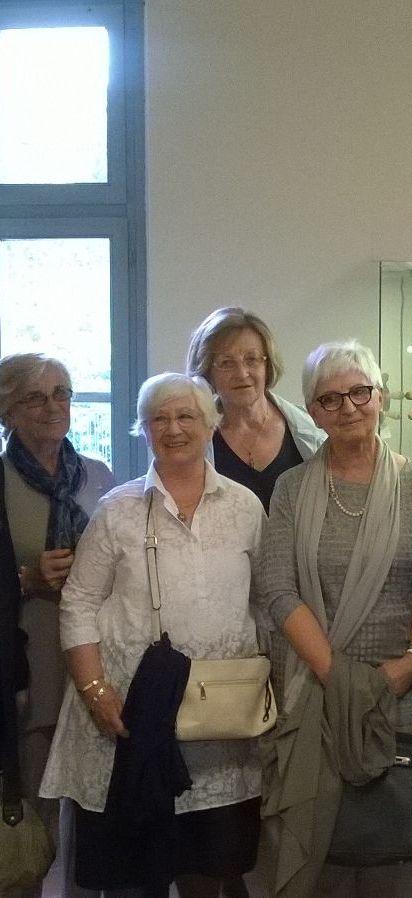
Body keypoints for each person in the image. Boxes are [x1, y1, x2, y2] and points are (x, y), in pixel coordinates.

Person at [39, 373, 266, 898]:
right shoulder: (116, 510)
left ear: (211, 424)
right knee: (131, 876)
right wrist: (95, 690)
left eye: (186, 416)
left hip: (219, 727)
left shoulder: (246, 508)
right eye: (158, 418)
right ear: (142, 430)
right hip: (129, 717)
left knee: (208, 870)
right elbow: (78, 602)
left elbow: (265, 601)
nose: (173, 428)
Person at [256, 339, 412, 896]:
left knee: (388, 856)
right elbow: (277, 587)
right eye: (330, 399)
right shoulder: (292, 488)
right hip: (313, 688)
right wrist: (336, 673)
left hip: (399, 690)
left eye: (360, 392)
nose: (348, 408)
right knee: (321, 862)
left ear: (381, 396)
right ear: (313, 412)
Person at [0, 352, 115, 895]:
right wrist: (24, 578)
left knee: (97, 818)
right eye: (35, 397)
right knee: (34, 821)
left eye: (62, 393)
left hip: (98, 665)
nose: (53, 406)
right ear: (7, 411)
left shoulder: (98, 475)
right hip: (31, 669)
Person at [186, 307, 324, 512]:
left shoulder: (312, 428)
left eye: (251, 359)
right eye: (226, 363)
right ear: (207, 371)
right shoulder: (195, 437)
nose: (242, 373)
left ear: (267, 365)